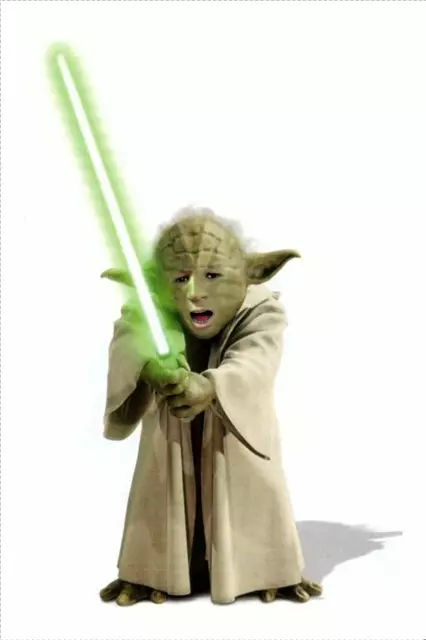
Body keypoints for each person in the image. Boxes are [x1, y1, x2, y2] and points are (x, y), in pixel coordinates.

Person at [99, 206, 322, 606]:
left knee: (253, 484)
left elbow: (257, 359)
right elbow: (130, 338)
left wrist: (211, 386)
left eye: (212, 276)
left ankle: (265, 568)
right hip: (171, 434)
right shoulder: (151, 307)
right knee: (161, 486)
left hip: (236, 431)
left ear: (248, 274)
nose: (194, 293)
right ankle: (151, 571)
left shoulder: (260, 309)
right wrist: (152, 367)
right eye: (180, 278)